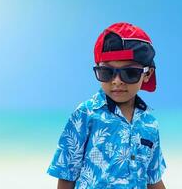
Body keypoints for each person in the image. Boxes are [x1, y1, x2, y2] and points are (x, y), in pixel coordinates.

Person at [47, 22, 166, 189]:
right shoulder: (85, 114)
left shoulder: (150, 123)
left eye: (129, 73)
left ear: (147, 74)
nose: (116, 81)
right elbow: (67, 176)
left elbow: (153, 179)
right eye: (107, 72)